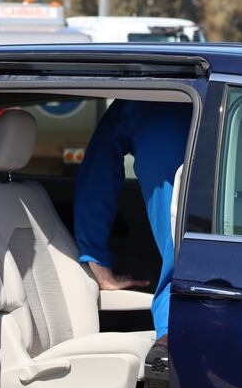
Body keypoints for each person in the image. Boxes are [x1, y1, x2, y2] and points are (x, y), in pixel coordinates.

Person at [74, 99, 192, 345]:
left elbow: (98, 172)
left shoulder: (146, 100)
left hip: (187, 304)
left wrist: (95, 256)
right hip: (189, 310)